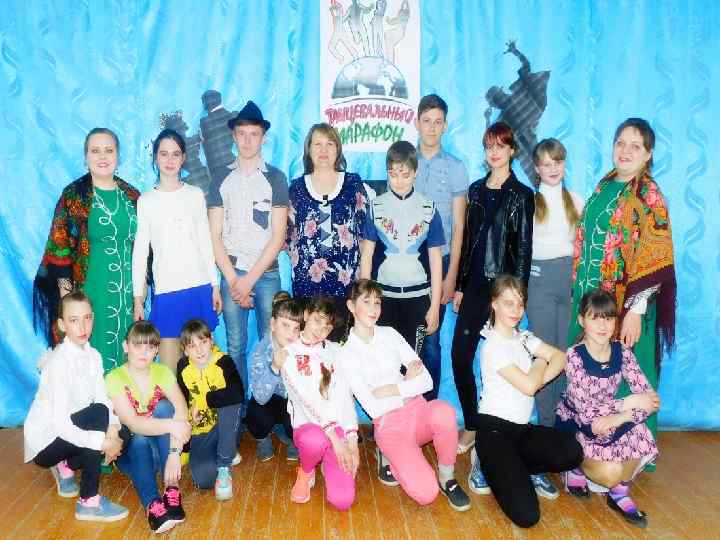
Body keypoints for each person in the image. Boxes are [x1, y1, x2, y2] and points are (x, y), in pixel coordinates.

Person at [569, 118, 676, 444]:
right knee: (589, 373)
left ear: (648, 154)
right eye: (620, 143)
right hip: (590, 299)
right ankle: (592, 443)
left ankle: (634, 449)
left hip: (624, 306)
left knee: (630, 375)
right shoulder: (606, 184)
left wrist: (635, 311)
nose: (625, 151)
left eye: (635, 146)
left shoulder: (648, 194)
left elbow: (655, 252)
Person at [336, 279, 471, 511]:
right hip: (390, 426)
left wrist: (394, 389)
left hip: (417, 410)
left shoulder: (390, 334)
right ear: (351, 306)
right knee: (426, 494)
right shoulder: (345, 354)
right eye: (366, 302)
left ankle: (447, 477)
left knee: (444, 412)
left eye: (377, 302)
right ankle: (390, 455)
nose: (374, 309)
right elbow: (373, 407)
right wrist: (407, 382)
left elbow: (426, 381)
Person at [467, 276, 583, 528]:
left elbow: (560, 358)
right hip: (493, 432)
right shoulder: (493, 346)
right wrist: (539, 360)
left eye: (520, 304)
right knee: (527, 515)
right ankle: (484, 463)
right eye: (508, 303)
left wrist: (537, 373)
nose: (516, 310)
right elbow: (531, 385)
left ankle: (519, 467)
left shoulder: (524, 338)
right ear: (494, 304)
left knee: (573, 452)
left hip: (521, 431)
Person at [452, 122, 534, 454]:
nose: (494, 152)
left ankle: (498, 428)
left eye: (501, 146)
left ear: (512, 150)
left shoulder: (522, 195)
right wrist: (459, 286)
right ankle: (473, 423)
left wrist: (517, 298)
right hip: (473, 287)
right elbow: (468, 242)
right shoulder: (474, 191)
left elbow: (524, 250)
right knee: (460, 356)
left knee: (501, 362)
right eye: (489, 146)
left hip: (503, 292)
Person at [33, 128, 140, 373]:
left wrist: (139, 298)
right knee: (89, 361)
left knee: (126, 357)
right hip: (88, 293)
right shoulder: (74, 196)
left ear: (118, 155)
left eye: (109, 150)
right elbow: (60, 250)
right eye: (95, 150)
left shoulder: (132, 196)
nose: (102, 156)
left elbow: (143, 251)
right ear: (86, 156)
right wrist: (68, 303)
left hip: (126, 296)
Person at [207, 100, 289, 403]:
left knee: (274, 343)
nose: (247, 140)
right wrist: (233, 280)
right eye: (241, 133)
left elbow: (278, 235)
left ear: (263, 137)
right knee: (236, 345)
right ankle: (238, 411)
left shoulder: (276, 178)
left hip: (265, 273)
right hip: (232, 272)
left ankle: (272, 410)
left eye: (254, 134)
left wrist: (248, 281)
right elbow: (214, 235)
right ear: (233, 136)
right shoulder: (220, 178)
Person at [557, 289, 659, 528]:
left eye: (609, 318)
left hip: (609, 420)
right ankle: (575, 468)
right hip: (579, 425)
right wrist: (627, 404)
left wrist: (620, 416)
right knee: (611, 472)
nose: (603, 326)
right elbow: (587, 413)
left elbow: (650, 401)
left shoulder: (622, 351)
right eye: (595, 318)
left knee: (642, 434)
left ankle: (619, 494)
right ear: (581, 320)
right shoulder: (574, 356)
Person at [24, 291, 128, 522]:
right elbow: (62, 425)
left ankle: (67, 464)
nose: (82, 327)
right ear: (62, 325)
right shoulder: (59, 363)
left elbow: (102, 397)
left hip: (70, 433)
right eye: (74, 320)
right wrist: (102, 443)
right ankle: (88, 501)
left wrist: (112, 432)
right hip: (47, 442)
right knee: (98, 415)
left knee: (123, 435)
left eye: (87, 318)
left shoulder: (94, 355)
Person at [360, 140, 445, 397]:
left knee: (414, 364)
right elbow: (367, 256)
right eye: (393, 174)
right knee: (386, 364)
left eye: (405, 174)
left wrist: (434, 306)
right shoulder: (375, 207)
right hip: (384, 300)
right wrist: (364, 301)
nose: (399, 180)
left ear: (415, 172)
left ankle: (420, 414)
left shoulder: (429, 209)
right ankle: (389, 414)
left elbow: (436, 260)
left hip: (418, 299)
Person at [132, 128, 220, 371]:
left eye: (175, 154)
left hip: (199, 288)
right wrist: (138, 299)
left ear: (183, 158)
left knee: (203, 371)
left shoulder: (194, 195)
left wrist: (214, 285)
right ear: (155, 158)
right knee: (170, 373)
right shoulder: (146, 201)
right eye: (164, 154)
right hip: (167, 292)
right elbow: (140, 253)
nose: (169, 160)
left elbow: (205, 242)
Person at [525, 138, 584, 495]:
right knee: (547, 358)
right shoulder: (531, 203)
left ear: (564, 163)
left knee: (568, 358)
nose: (552, 168)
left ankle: (566, 441)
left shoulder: (576, 200)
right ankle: (545, 439)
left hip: (570, 284)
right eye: (545, 163)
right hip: (539, 284)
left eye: (557, 161)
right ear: (536, 168)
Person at [105, 321, 191, 534]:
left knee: (164, 407)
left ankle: (172, 489)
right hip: (131, 456)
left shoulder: (162, 372)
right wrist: (172, 426)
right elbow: (133, 423)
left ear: (157, 350)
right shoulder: (114, 378)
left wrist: (174, 454)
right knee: (139, 437)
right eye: (138, 345)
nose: (144, 352)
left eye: (150, 347)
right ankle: (152, 504)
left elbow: (181, 409)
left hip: (161, 454)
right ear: (126, 346)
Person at [287, 123, 368, 340]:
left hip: (345, 287)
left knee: (342, 347)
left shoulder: (352, 183)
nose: (323, 150)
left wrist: (363, 281)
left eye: (329, 144)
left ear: (338, 149)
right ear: (309, 149)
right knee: (309, 347)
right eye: (318, 144)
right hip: (307, 287)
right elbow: (288, 237)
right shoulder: (296, 188)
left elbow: (365, 234)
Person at [278, 297, 358, 510]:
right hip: (309, 427)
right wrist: (335, 439)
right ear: (306, 315)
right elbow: (306, 400)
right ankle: (306, 471)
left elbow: (345, 395)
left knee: (343, 500)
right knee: (315, 440)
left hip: (337, 430)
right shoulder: (288, 354)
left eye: (327, 327)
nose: (320, 330)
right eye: (317, 320)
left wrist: (351, 440)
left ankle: (326, 462)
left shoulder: (336, 351)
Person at [414, 94, 470, 399]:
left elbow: (460, 225)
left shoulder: (455, 167)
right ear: (417, 123)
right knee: (403, 336)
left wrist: (452, 276)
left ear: (445, 125)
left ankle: (429, 406)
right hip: (407, 262)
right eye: (427, 121)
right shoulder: (405, 162)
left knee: (431, 338)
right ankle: (404, 410)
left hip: (442, 260)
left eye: (438, 122)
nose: (432, 128)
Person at [176, 319, 244, 500]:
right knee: (204, 480)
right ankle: (227, 451)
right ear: (185, 350)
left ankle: (224, 464)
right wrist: (189, 421)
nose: (199, 350)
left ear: (211, 340)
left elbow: (238, 394)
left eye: (203, 342)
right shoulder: (183, 367)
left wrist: (204, 401)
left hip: (225, 425)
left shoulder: (224, 362)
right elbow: (181, 402)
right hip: (201, 431)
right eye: (192, 346)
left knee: (231, 403)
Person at [246, 291, 302, 462]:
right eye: (285, 325)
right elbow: (260, 397)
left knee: (299, 414)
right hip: (269, 401)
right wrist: (274, 368)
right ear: (272, 324)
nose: (291, 333)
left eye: (296, 328)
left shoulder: (301, 349)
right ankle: (263, 438)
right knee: (255, 412)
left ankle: (290, 435)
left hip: (291, 402)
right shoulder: (260, 351)